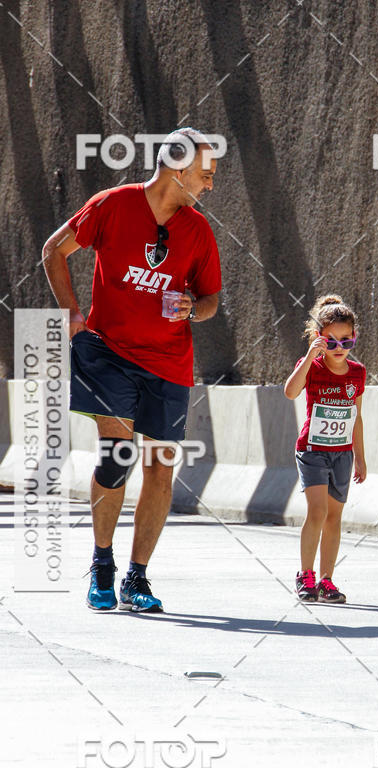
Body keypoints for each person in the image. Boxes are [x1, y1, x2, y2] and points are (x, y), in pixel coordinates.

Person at [42, 128, 222, 614]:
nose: (210, 184)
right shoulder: (112, 205)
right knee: (117, 455)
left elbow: (210, 299)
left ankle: (137, 578)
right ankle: (102, 563)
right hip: (109, 354)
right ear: (177, 169)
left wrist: (192, 307)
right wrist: (72, 316)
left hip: (169, 362)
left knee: (160, 467)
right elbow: (53, 251)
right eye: (205, 174)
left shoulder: (198, 231)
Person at [284, 294, 367, 603]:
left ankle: (326, 580)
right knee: (317, 512)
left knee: (334, 517)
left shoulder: (357, 373)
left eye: (346, 341)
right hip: (312, 451)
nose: (339, 347)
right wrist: (309, 357)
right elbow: (290, 392)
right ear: (319, 338)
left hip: (342, 454)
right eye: (331, 342)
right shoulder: (312, 367)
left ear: (354, 337)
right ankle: (305, 575)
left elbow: (357, 417)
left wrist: (360, 457)